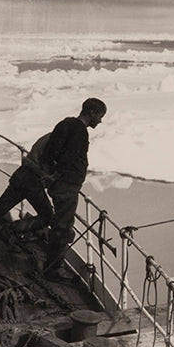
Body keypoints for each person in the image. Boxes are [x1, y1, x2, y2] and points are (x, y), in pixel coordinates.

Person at [40, 98, 107, 282]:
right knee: (63, 227)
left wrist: (51, 175)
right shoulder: (79, 131)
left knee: (60, 224)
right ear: (92, 113)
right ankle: (53, 270)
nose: (100, 121)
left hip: (59, 184)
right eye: (100, 116)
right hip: (67, 186)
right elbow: (69, 158)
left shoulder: (65, 124)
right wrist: (60, 176)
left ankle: (53, 265)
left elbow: (50, 152)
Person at [0, 132, 54, 230]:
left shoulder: (49, 137)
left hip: (21, 176)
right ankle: (14, 229)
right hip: (33, 182)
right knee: (47, 216)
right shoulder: (58, 141)